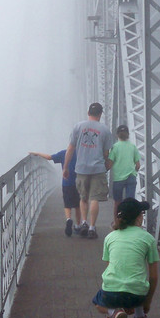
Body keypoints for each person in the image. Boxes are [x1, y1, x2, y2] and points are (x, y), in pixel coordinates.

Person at [91, 198, 159, 318]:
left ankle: (114, 312)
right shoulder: (148, 238)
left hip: (112, 294)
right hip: (137, 295)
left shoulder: (110, 237)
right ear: (139, 218)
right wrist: (147, 302)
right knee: (137, 282)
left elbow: (112, 269)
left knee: (97, 302)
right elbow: (154, 276)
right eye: (142, 214)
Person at [64, 102, 114, 239]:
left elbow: (70, 148)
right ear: (100, 114)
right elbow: (106, 153)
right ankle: (92, 227)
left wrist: (65, 167)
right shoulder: (104, 130)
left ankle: (83, 222)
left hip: (81, 168)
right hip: (98, 169)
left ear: (88, 113)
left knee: (83, 198)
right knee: (94, 199)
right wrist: (107, 165)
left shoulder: (78, 127)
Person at [29, 149, 82, 236]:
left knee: (67, 204)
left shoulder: (63, 153)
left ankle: (68, 219)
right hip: (79, 182)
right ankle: (78, 225)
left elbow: (49, 157)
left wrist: (38, 153)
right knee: (77, 205)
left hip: (66, 183)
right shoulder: (81, 153)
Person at [108, 123, 142, 218]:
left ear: (117, 134)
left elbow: (109, 165)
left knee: (117, 202)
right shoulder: (133, 147)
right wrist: (133, 171)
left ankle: (117, 223)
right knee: (130, 201)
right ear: (128, 134)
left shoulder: (114, 147)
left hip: (118, 178)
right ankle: (130, 221)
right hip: (131, 177)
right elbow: (138, 165)